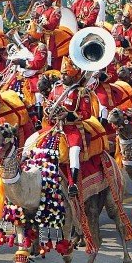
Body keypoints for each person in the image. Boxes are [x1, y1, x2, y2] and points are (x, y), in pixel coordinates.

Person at [46, 57, 93, 197]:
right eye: (63, 74)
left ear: (73, 76)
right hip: (55, 127)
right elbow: (47, 104)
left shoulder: (81, 92)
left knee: (74, 152)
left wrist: (68, 115)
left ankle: (73, 184)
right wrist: (48, 110)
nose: (63, 76)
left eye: (66, 74)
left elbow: (86, 113)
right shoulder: (56, 89)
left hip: (72, 128)